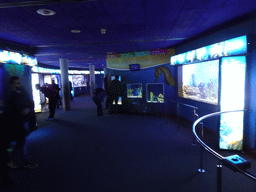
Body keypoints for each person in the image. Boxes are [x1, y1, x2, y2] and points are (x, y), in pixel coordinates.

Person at [3, 76, 38, 170]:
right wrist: (21, 111)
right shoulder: (11, 95)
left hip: (24, 121)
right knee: (21, 142)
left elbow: (30, 102)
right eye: (17, 83)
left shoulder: (22, 92)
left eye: (20, 82)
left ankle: (12, 160)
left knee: (21, 142)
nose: (20, 84)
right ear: (12, 85)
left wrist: (28, 109)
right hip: (17, 123)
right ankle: (24, 161)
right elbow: (10, 111)